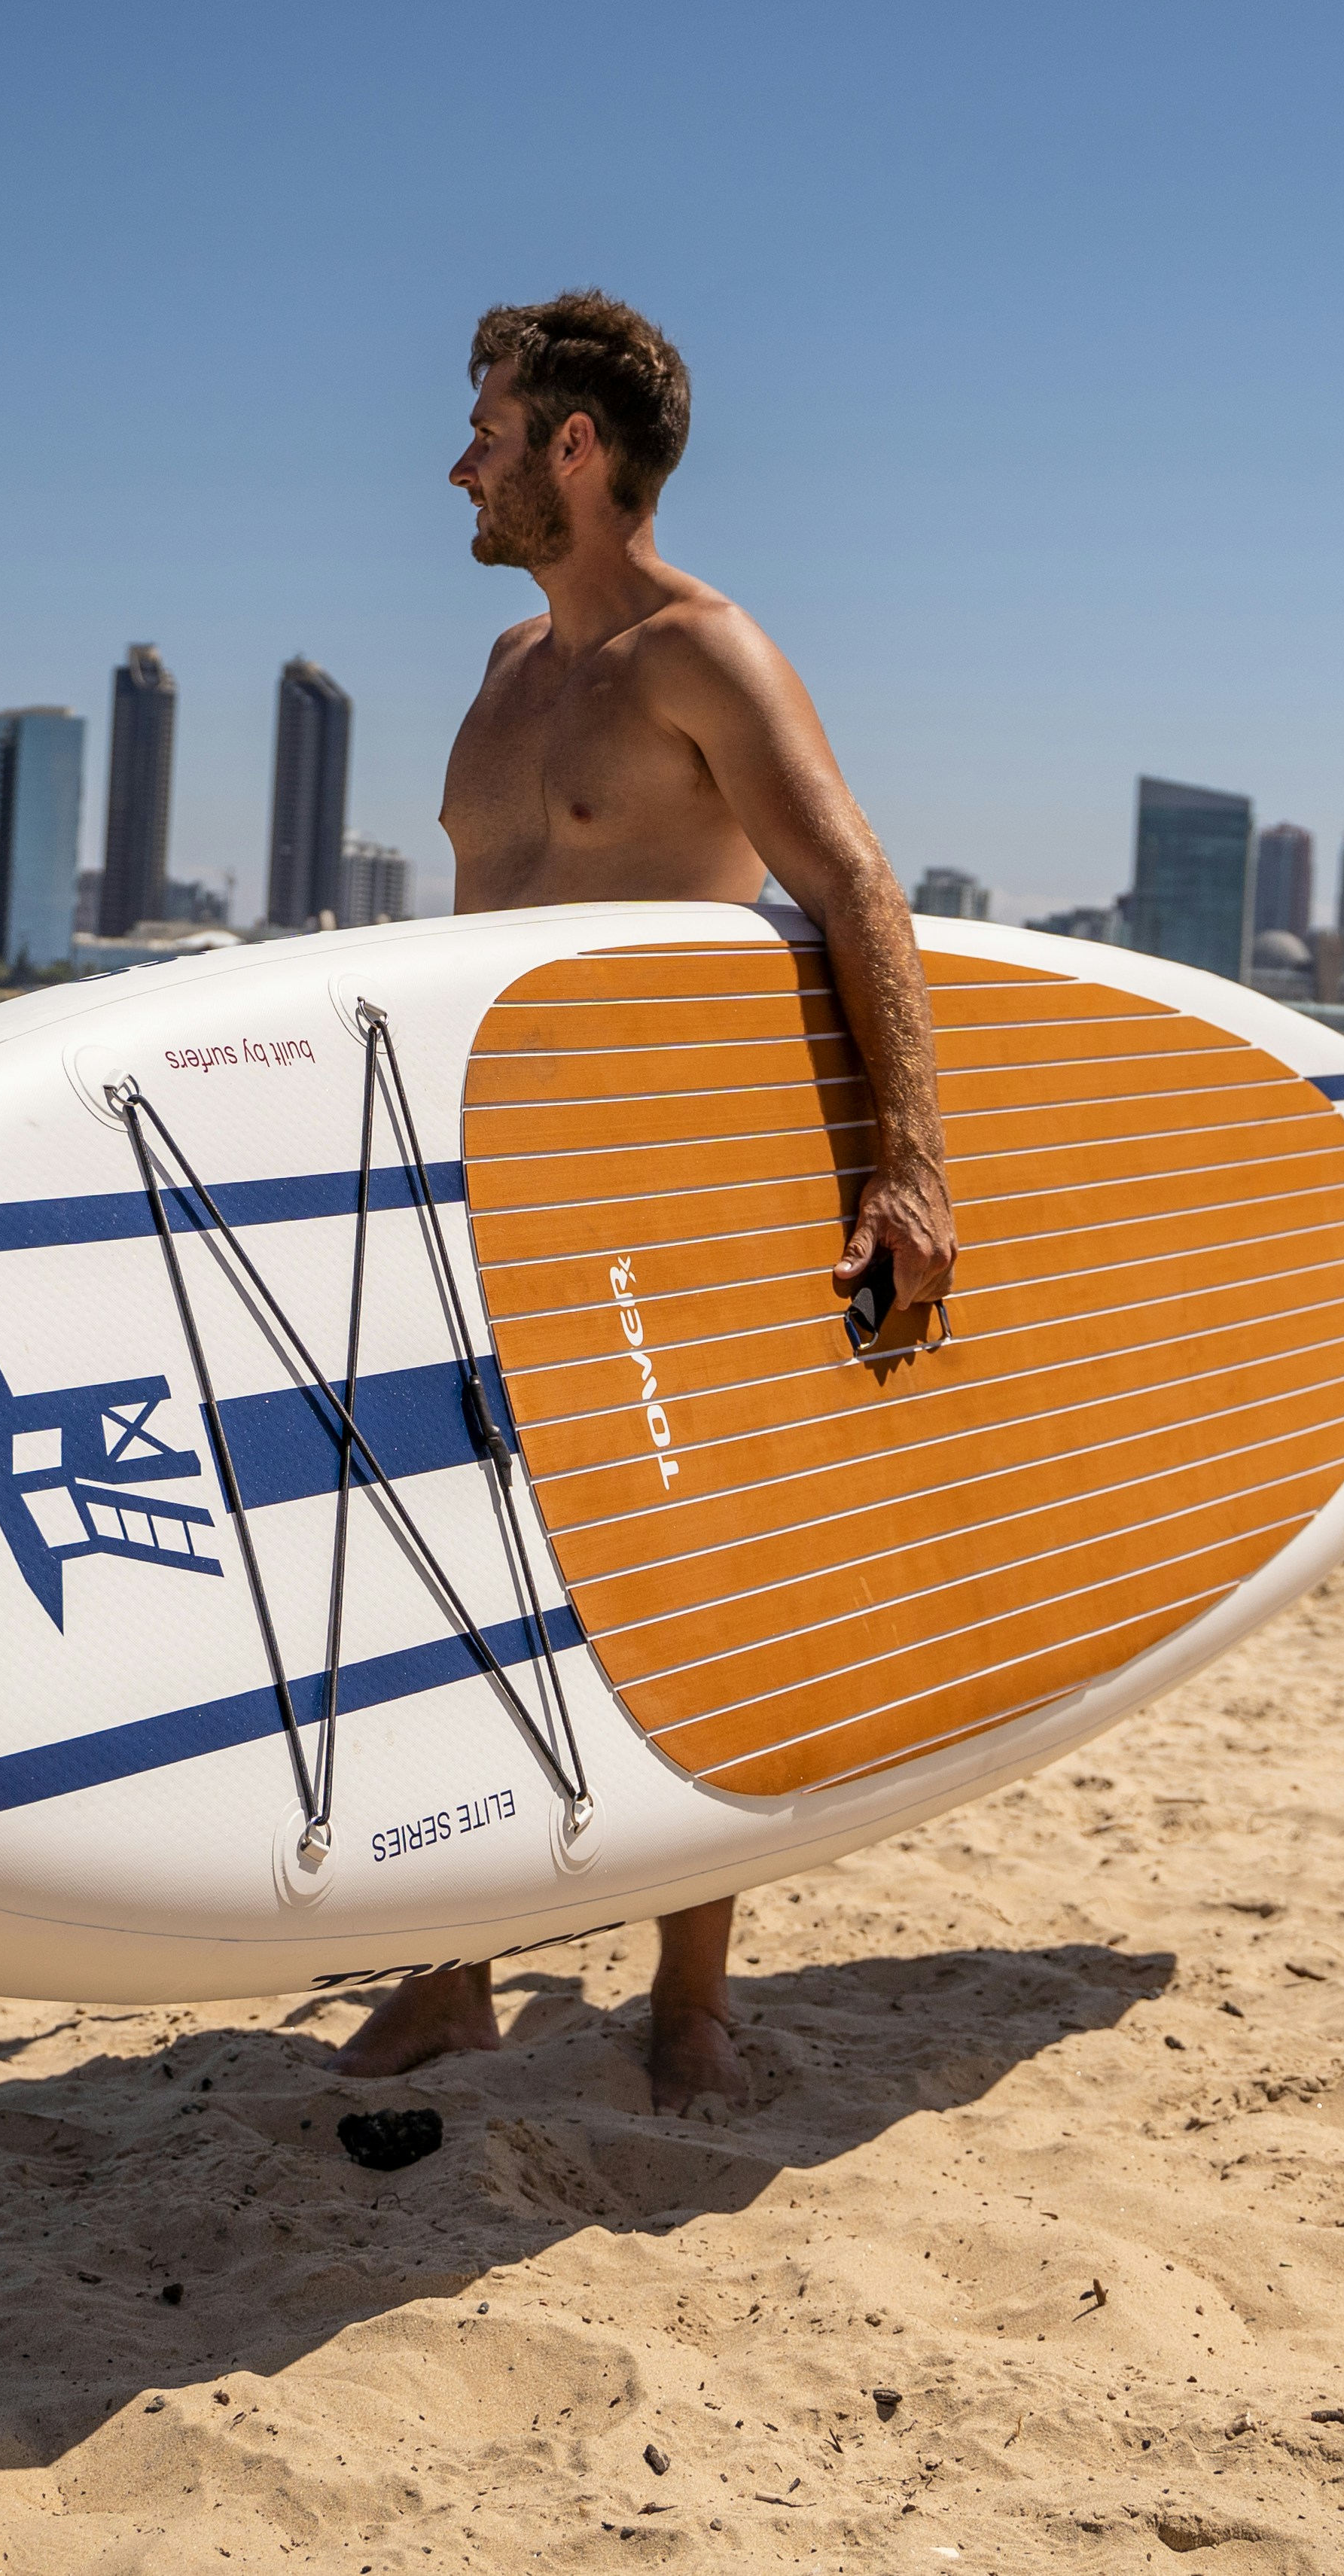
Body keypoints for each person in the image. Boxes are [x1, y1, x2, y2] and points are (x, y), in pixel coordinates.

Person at [329, 288, 958, 2118]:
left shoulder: (704, 655)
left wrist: (907, 1164)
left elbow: (851, 888)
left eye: (487, 426)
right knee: (458, 1568)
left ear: (573, 452)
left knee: (693, 1586)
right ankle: (454, 1973)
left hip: (668, 1188)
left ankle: (688, 1997)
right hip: (474, 1184)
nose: (460, 458)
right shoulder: (504, 674)